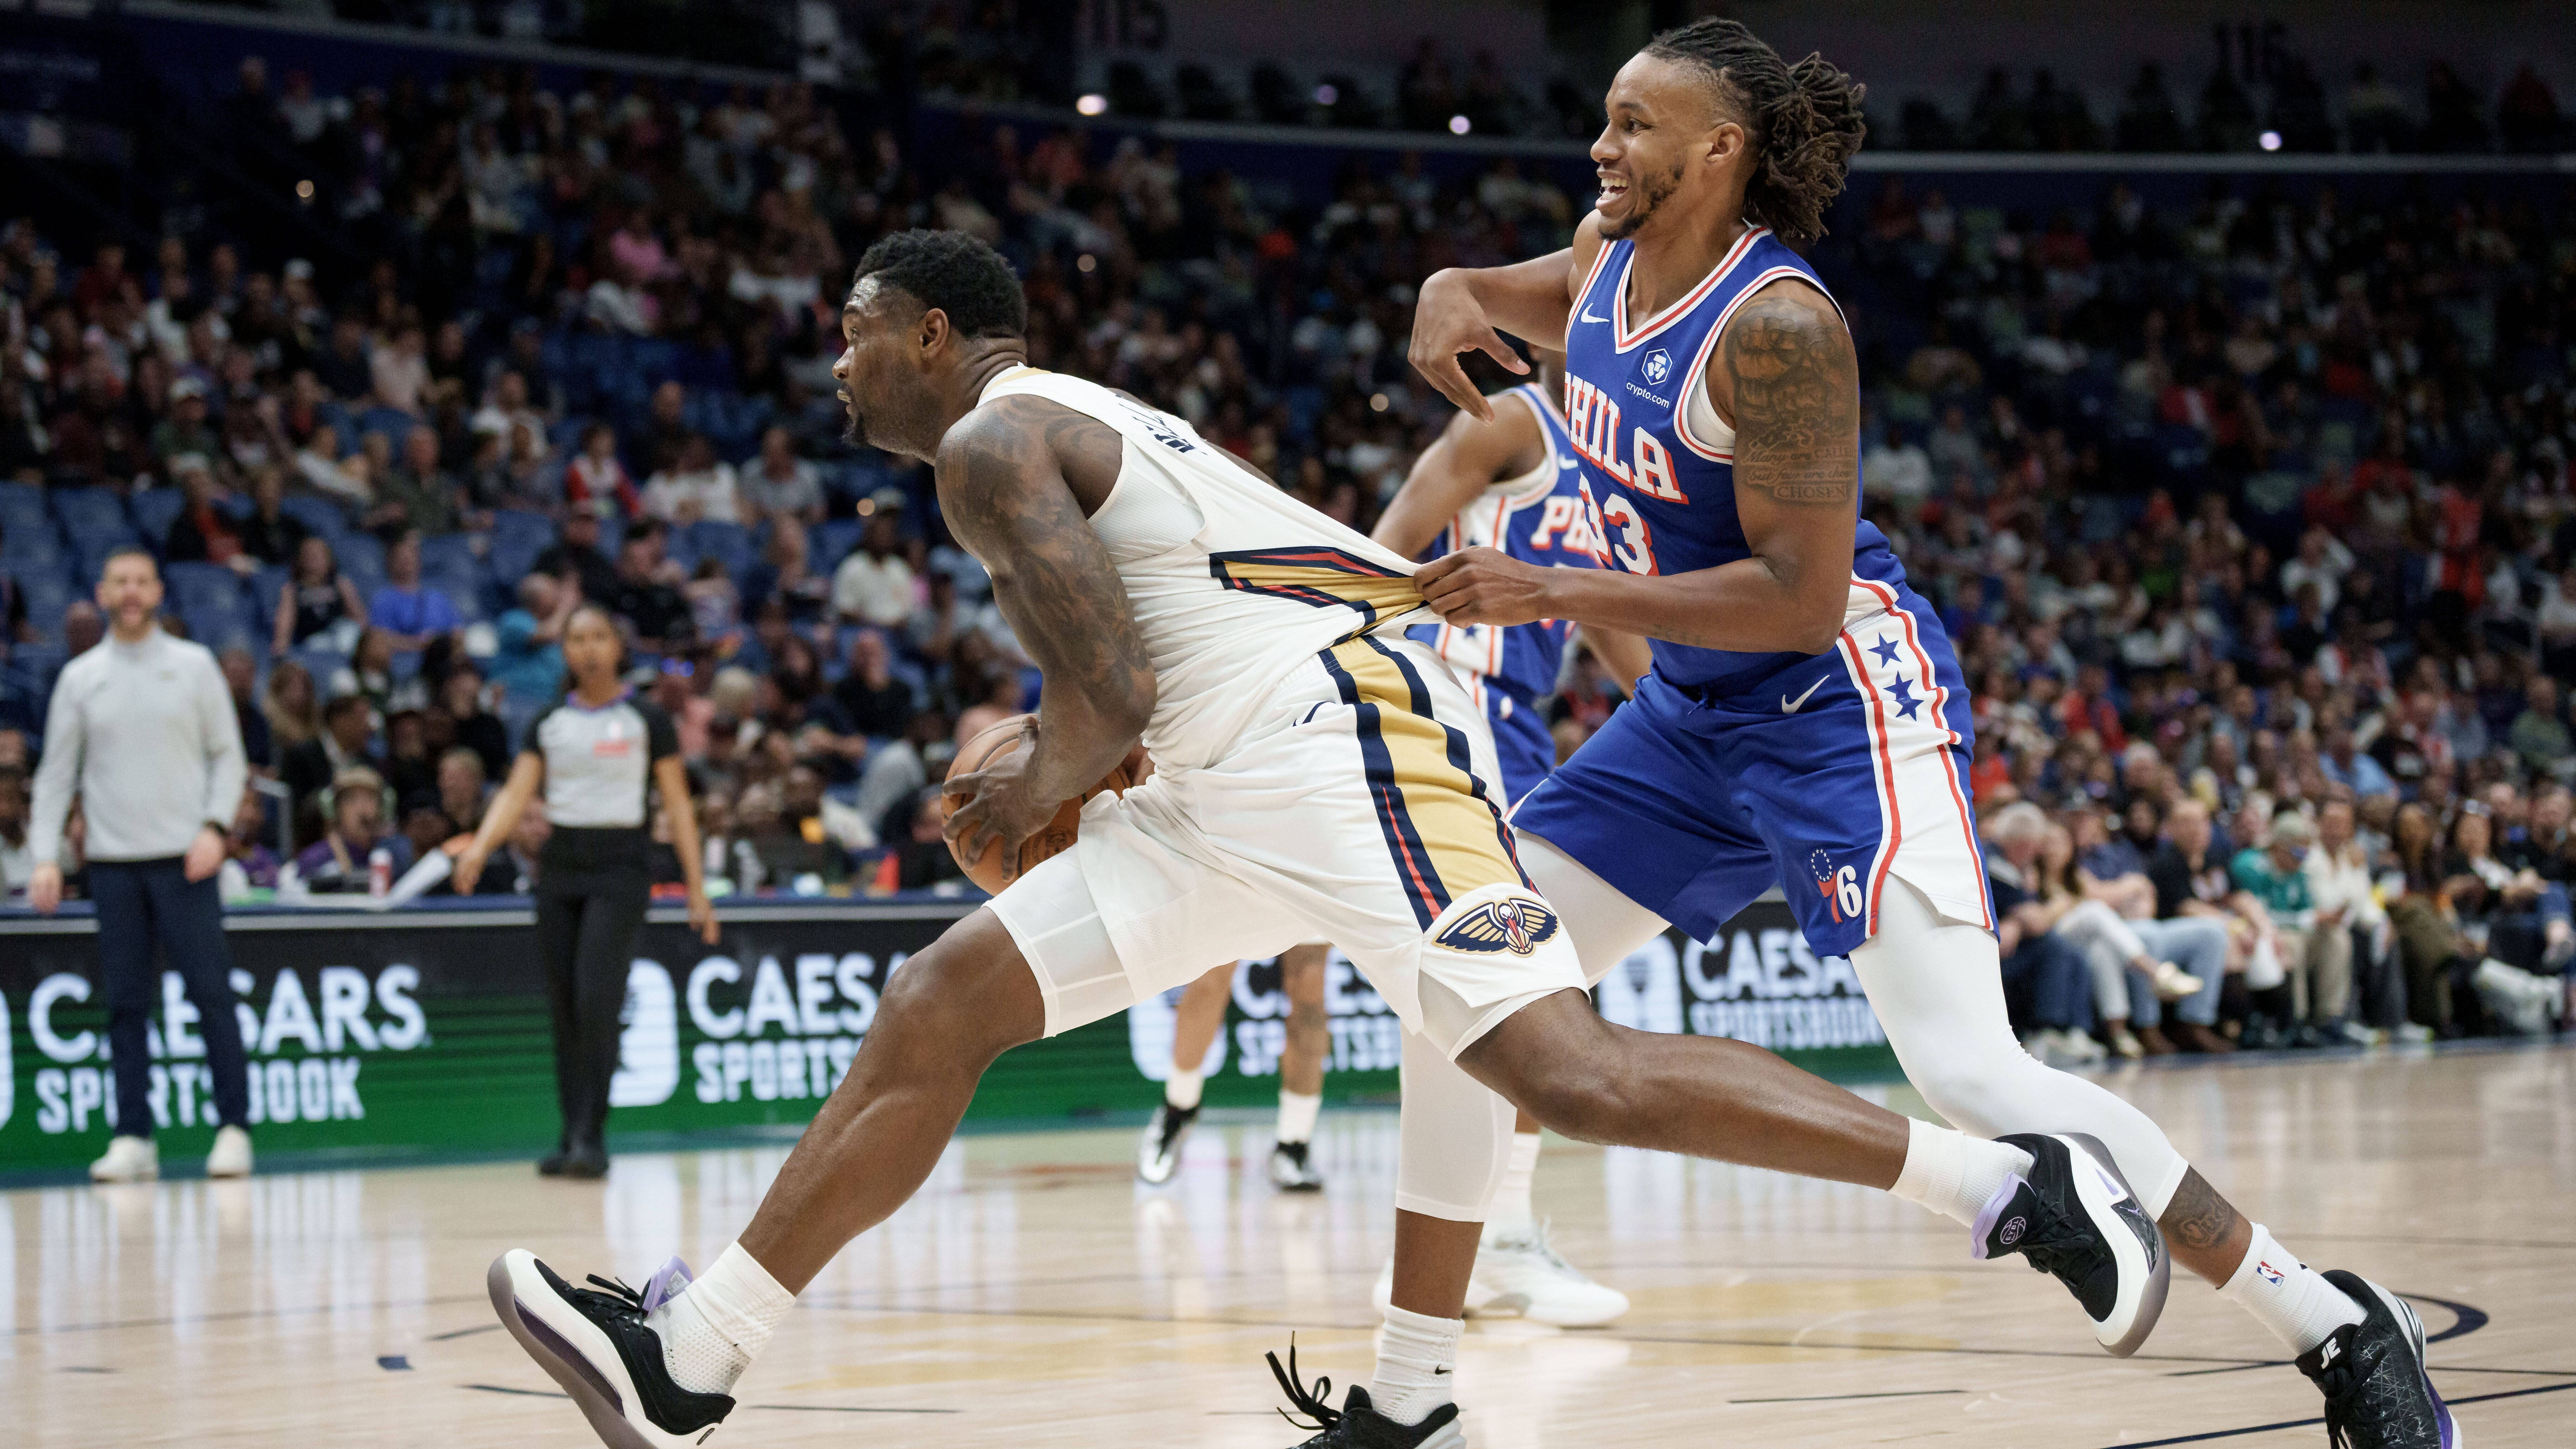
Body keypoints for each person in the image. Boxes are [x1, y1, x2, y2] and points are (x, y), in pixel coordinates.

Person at [488, 230, 2162, 1449]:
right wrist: (1058, 764)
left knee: (1561, 1072)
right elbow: (1132, 700)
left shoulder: (997, 442)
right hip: (1213, 782)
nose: (834, 360)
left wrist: (1020, 782)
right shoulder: (1043, 427)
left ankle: (2004, 1180)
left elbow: (1113, 690)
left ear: (935, 332)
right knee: (942, 1002)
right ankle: (695, 1351)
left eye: (852, 329)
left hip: (1341, 738)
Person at [1401, 19, 2444, 1447]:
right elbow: (1513, 299)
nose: (1602, 145)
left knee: (1972, 1072)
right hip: (1690, 711)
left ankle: (2329, 1319)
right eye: (1605, 118)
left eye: (1636, 125)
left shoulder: (1779, 331)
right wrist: (1452, 288)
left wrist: (1557, 582)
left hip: (1835, 699)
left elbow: (1796, 596)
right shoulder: (1601, 259)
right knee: (1463, 983)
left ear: (1723, 149)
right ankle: (1413, 1389)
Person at [1353, 351, 1646, 1323]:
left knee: (1499, 984)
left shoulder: (1620, 470)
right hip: (1447, 700)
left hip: (1511, 722)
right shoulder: (1511, 423)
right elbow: (1382, 553)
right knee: (1518, 977)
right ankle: (1497, 1243)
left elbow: (1619, 639)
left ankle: (1473, 1250)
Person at [455, 604, 719, 1177]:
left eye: (599, 636)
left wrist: (697, 887)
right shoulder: (549, 721)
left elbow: (676, 803)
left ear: (617, 648)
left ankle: (591, 1137)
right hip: (561, 867)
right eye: (577, 638)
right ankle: (571, 1132)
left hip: (621, 867)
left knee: (596, 999)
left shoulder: (647, 718)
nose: (588, 648)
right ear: (565, 651)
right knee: (565, 1007)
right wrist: (479, 846)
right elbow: (516, 793)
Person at [27, 548, 256, 1183]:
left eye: (142, 581)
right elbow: (54, 776)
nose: (131, 592)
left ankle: (233, 1128)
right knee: (126, 1005)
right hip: (112, 865)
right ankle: (133, 1136)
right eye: (119, 582)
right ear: (102, 593)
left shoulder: (193, 666)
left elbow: (228, 757)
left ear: (158, 591)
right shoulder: (81, 677)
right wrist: (46, 855)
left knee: (213, 997)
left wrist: (215, 828)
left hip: (188, 861)